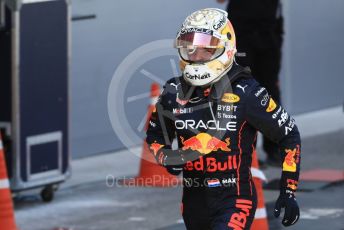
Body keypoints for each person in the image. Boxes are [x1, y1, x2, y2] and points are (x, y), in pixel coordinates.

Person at [146, 8, 300, 230]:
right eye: (190, 48)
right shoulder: (173, 91)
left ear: (225, 48)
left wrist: (288, 190)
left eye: (206, 49)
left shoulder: (247, 92)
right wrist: (166, 156)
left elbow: (289, 135)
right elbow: (155, 134)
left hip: (235, 201)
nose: (197, 56)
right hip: (193, 204)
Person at [217, 0, 284, 166]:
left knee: (270, 91)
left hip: (268, 31)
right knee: (241, 90)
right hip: (241, 32)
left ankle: (274, 148)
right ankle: (244, 150)